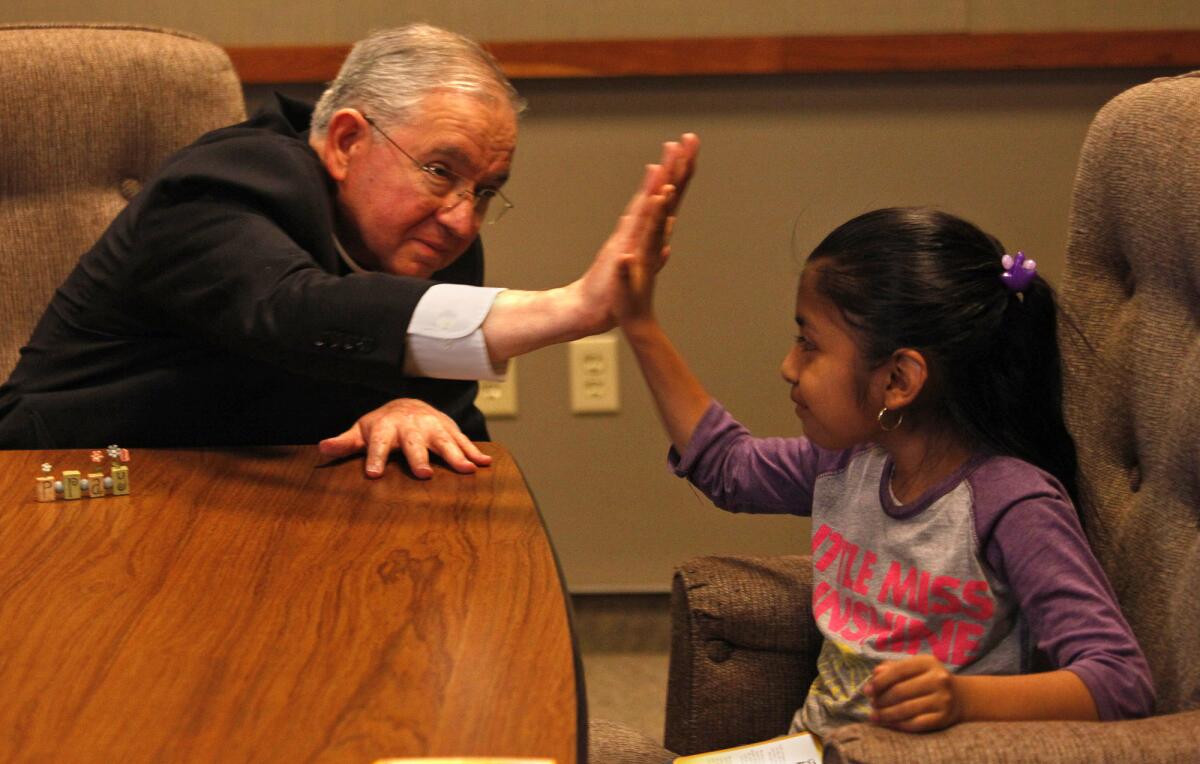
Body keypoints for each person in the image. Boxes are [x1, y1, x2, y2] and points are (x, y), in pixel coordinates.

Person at [0, 23, 697, 478]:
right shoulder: (225, 183)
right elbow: (293, 310)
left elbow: (452, 420)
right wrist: (570, 308)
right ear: (344, 141)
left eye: (486, 190)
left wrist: (413, 411)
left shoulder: (434, 246)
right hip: (64, 484)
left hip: (256, 506)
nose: (462, 217)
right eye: (439, 170)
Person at [613, 206, 1153, 738]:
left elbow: (1118, 680)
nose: (788, 366)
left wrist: (963, 700)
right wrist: (639, 325)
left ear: (898, 379)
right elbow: (727, 466)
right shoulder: (849, 463)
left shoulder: (1012, 502)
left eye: (809, 344)